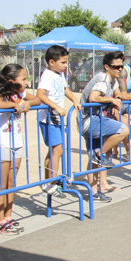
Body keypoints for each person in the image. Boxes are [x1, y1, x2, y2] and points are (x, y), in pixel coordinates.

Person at [0, 64, 41, 233]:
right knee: (1, 183)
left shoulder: (21, 93)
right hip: (1, 142)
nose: (26, 82)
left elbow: (38, 99)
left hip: (16, 141)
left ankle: (8, 216)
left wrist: (28, 103)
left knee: (11, 182)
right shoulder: (2, 93)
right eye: (23, 79)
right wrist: (11, 105)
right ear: (12, 80)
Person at [79, 51, 131, 201]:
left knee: (94, 159)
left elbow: (119, 93)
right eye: (116, 67)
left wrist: (117, 99)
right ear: (107, 67)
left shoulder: (113, 79)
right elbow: (93, 97)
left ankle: (94, 192)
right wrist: (111, 100)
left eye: (121, 66)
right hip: (89, 120)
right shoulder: (102, 78)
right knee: (124, 129)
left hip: (95, 119)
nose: (120, 69)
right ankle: (100, 153)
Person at [36, 45, 81, 196]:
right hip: (49, 118)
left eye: (66, 62)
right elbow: (41, 95)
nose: (65, 65)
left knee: (55, 150)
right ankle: (50, 182)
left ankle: (49, 180)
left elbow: (65, 89)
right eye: (62, 62)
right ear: (51, 62)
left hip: (56, 118)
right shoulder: (47, 75)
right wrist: (56, 107)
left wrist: (75, 100)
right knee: (57, 149)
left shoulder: (59, 75)